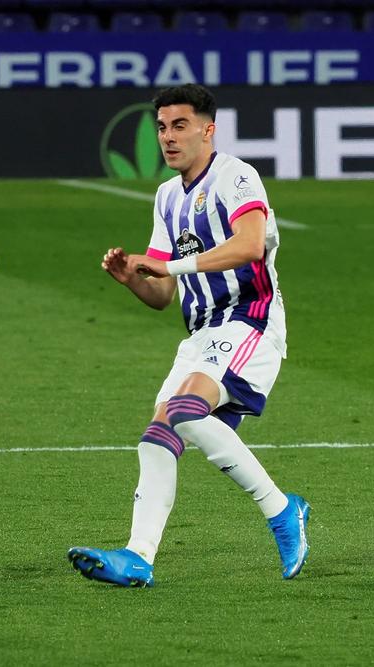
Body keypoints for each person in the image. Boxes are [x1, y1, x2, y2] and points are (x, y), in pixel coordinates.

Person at [68, 84, 310, 587]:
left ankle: (283, 510)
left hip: (251, 319)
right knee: (157, 436)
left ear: (207, 129)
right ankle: (138, 557)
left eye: (179, 125)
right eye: (161, 127)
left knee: (183, 410)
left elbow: (246, 247)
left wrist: (167, 265)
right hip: (202, 333)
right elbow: (162, 292)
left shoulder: (236, 176)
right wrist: (133, 277)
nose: (168, 137)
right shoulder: (165, 196)